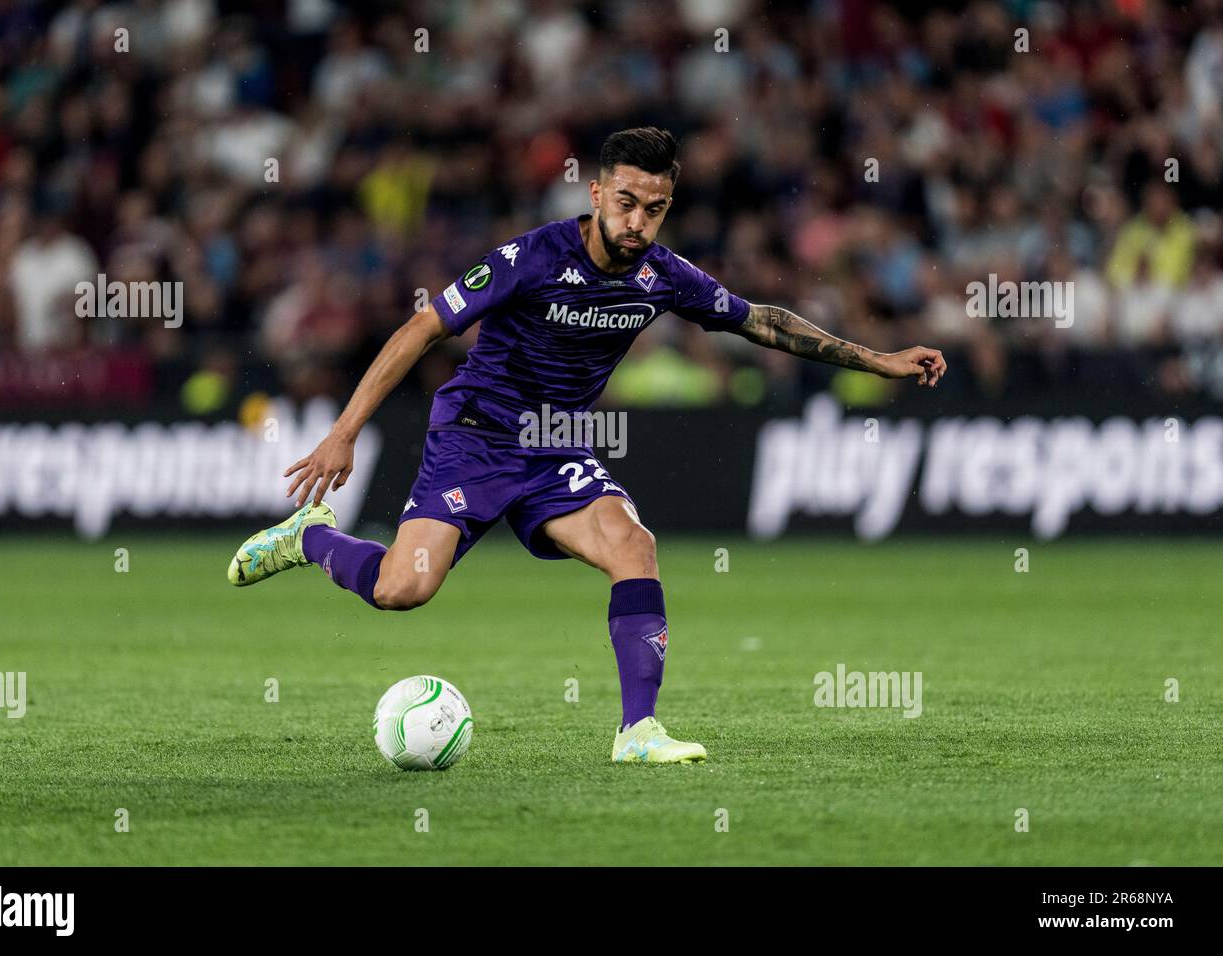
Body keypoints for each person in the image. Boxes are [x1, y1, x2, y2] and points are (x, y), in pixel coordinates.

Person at [228, 127, 947, 763]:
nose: (639, 221)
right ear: (598, 192)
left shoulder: (663, 277)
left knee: (635, 547)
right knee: (402, 589)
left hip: (556, 449)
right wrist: (344, 433)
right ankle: (311, 539)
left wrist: (876, 359)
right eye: (627, 202)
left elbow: (758, 319)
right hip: (475, 439)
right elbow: (424, 329)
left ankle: (638, 730)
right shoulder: (530, 257)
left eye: (656, 207)